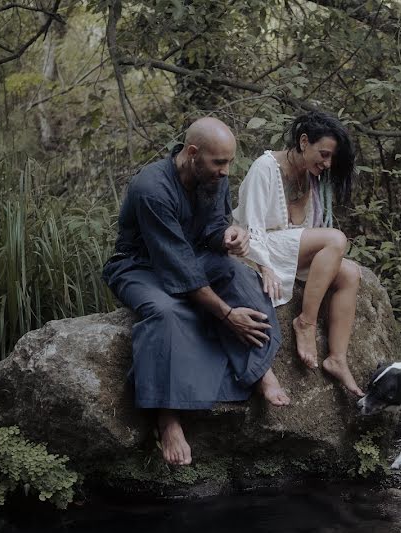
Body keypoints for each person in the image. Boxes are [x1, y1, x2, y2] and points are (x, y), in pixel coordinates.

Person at [102, 117, 290, 467]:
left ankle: (258, 368)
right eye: (219, 162)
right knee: (167, 313)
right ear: (192, 153)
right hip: (139, 267)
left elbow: (215, 228)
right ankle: (168, 418)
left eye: (229, 162)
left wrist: (230, 235)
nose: (225, 170)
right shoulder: (152, 189)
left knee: (237, 273)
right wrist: (226, 314)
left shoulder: (212, 176)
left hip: (190, 256)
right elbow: (179, 267)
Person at [232, 110, 363, 397]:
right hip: (256, 251)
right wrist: (264, 267)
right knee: (335, 239)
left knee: (350, 274)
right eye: (324, 154)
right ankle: (305, 322)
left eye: (331, 159)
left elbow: (306, 234)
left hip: (287, 253)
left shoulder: (311, 178)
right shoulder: (264, 168)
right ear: (304, 141)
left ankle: (336, 358)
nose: (327, 164)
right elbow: (251, 228)